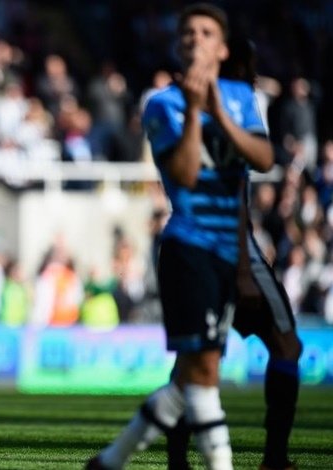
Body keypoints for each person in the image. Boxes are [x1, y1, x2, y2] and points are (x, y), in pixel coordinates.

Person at [88, 4, 277, 469]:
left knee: (192, 373)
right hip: (189, 247)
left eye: (206, 32)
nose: (195, 38)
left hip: (230, 249)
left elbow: (264, 159)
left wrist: (219, 114)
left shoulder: (240, 96)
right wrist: (195, 112)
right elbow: (187, 176)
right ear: (179, 44)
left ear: (223, 47)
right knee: (205, 371)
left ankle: (111, 461)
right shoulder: (162, 104)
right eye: (187, 32)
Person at [164, 35, 302, 470]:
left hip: (192, 249)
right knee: (286, 346)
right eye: (252, 66)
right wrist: (243, 269)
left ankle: (176, 457)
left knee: (196, 362)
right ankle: (275, 457)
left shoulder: (187, 114)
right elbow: (238, 189)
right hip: (232, 251)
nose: (256, 75)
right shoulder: (234, 115)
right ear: (238, 68)